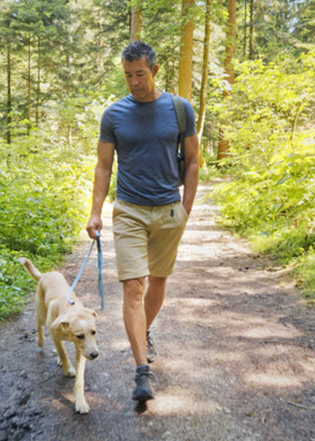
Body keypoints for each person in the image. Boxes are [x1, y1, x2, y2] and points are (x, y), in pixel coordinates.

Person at [85, 40, 199, 403]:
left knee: (158, 282)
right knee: (134, 286)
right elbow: (104, 167)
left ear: (155, 69)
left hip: (168, 211)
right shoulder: (114, 114)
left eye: (139, 74)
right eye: (127, 75)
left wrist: (186, 208)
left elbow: (194, 161)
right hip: (130, 210)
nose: (133, 82)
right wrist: (95, 211)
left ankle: (143, 330)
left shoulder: (179, 109)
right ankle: (141, 372)